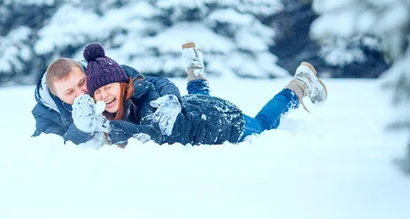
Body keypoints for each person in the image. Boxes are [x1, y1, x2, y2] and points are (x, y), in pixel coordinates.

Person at [70, 42, 327, 146]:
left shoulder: (148, 103)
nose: (104, 95)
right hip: (193, 107)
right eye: (98, 92)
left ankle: (299, 85)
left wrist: (101, 124)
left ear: (122, 85)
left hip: (219, 121)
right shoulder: (126, 100)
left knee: (263, 124)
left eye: (108, 87)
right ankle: (194, 69)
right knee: (198, 97)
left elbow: (151, 134)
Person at [31, 56, 185, 145]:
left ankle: (195, 75)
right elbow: (51, 150)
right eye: (69, 92)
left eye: (81, 82)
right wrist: (80, 129)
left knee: (194, 100)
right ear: (58, 97)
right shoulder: (46, 113)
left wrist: (171, 98)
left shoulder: (102, 74)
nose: (81, 93)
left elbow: (154, 82)